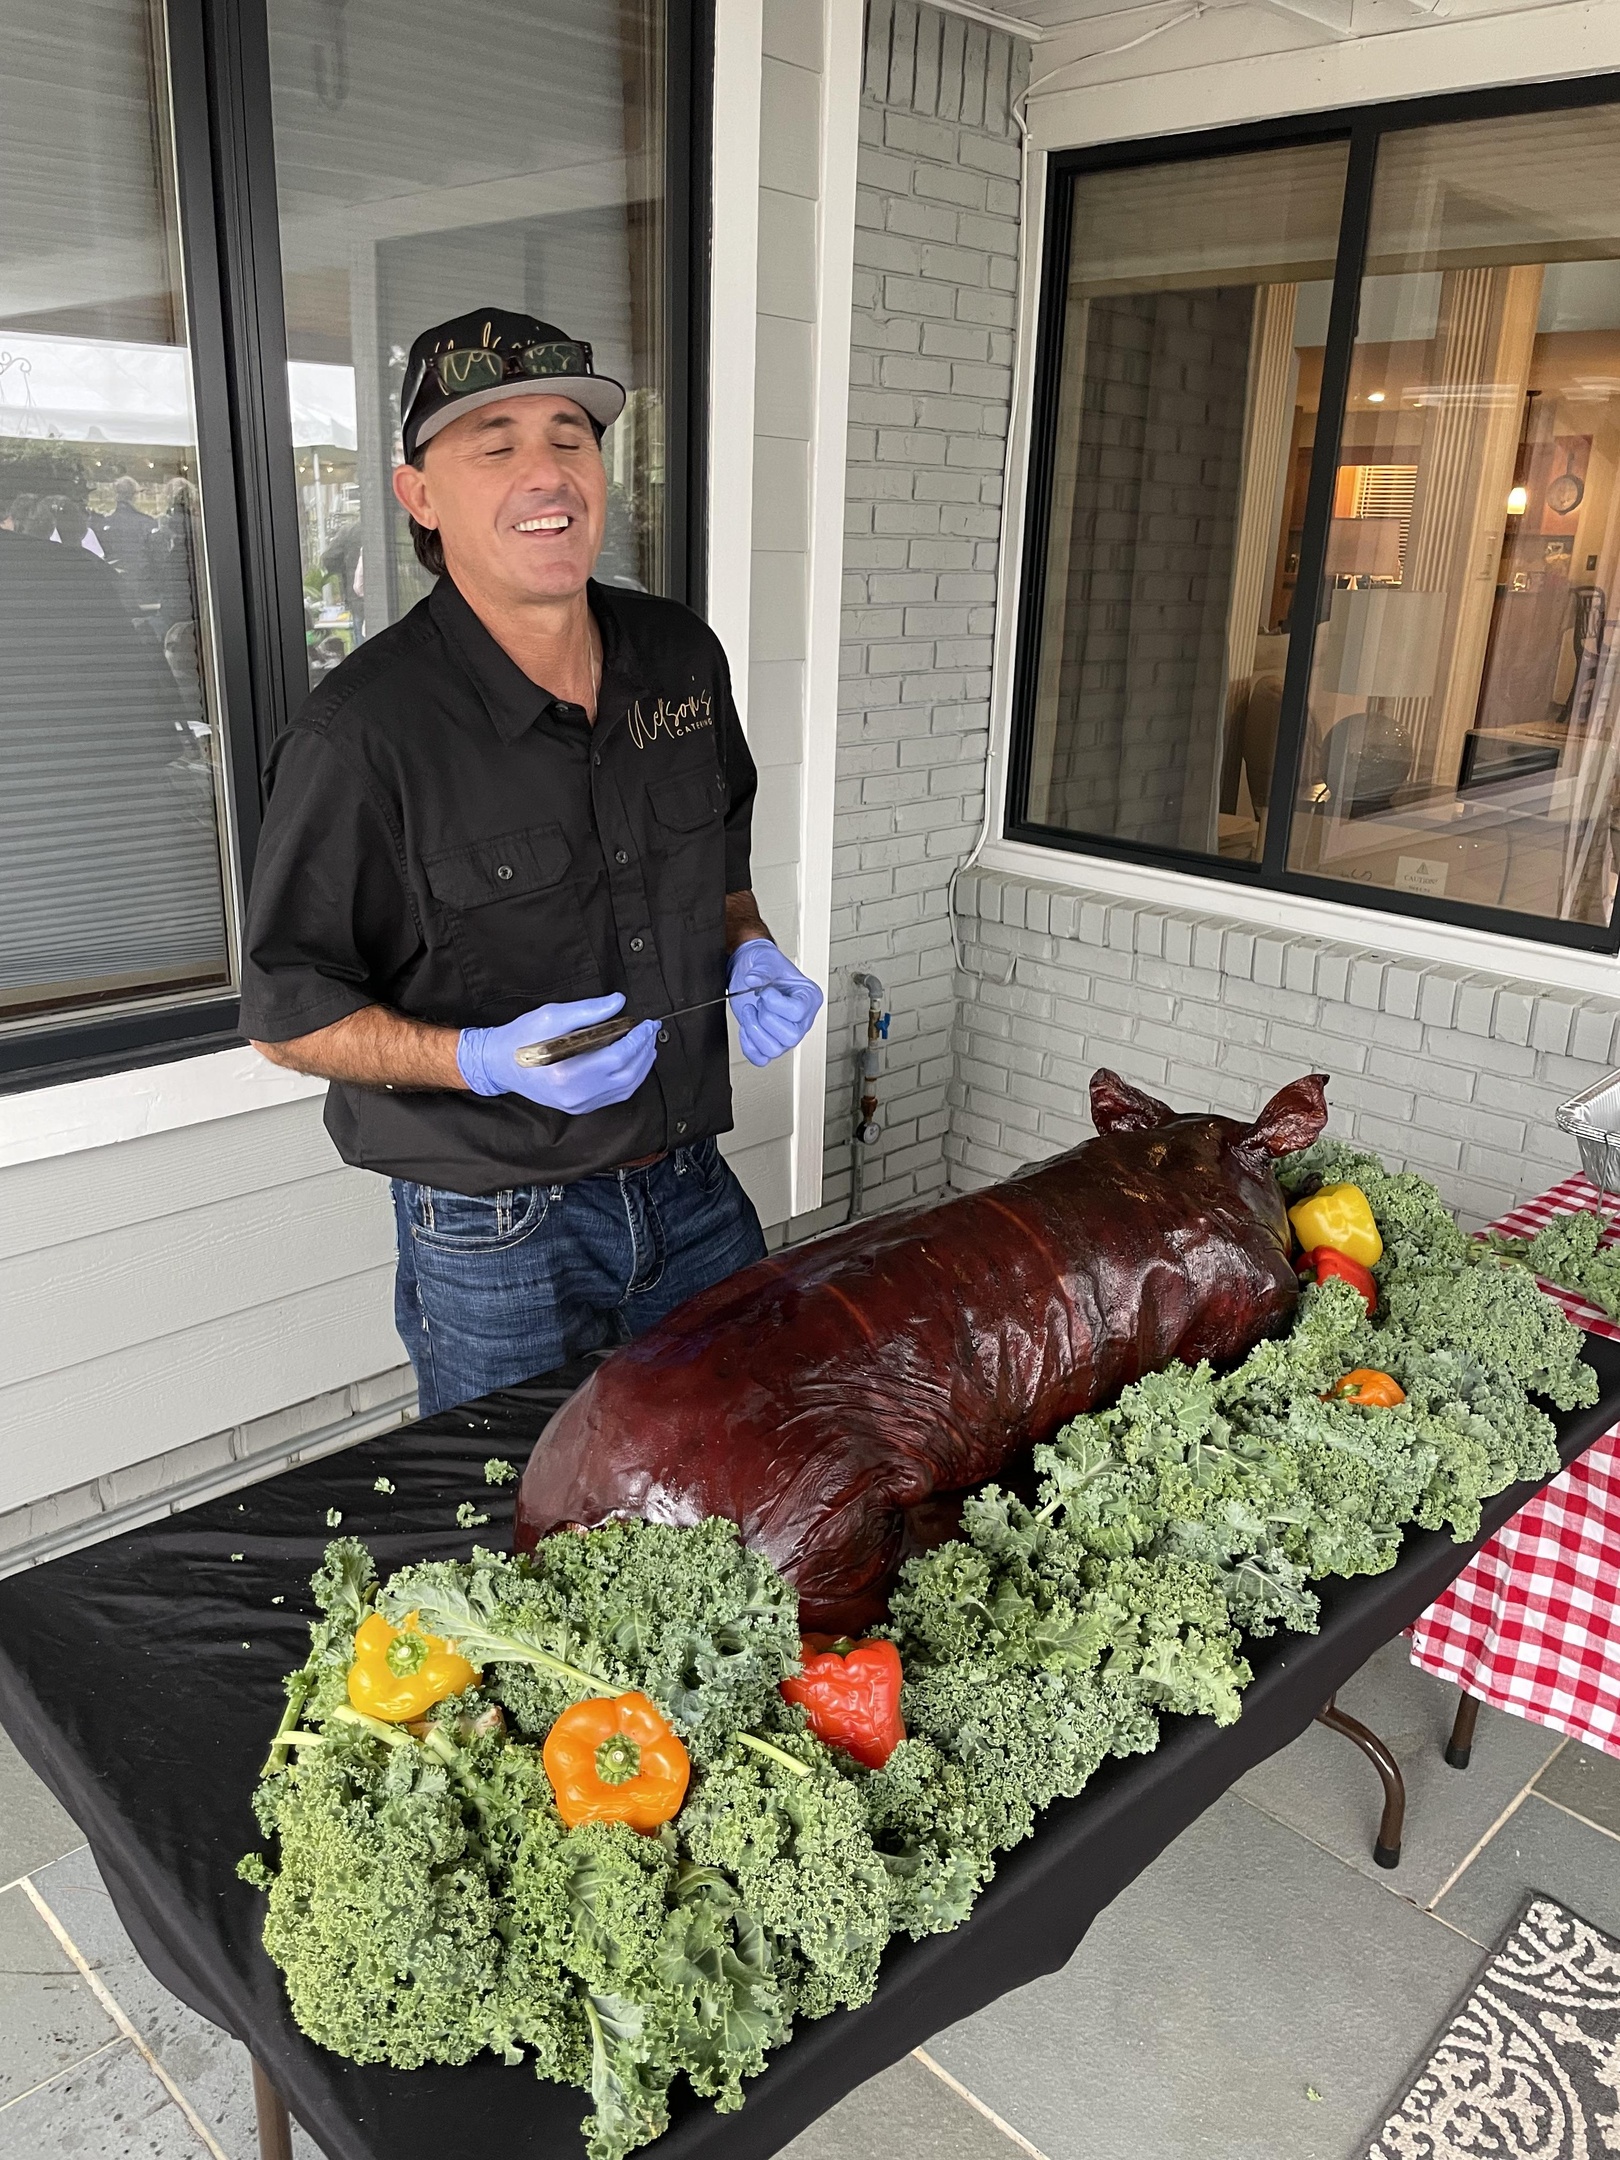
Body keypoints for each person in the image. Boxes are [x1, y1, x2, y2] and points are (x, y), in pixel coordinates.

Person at [241, 307, 823, 1417]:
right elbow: (285, 1017)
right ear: (420, 496)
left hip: (692, 1183)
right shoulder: (362, 736)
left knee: (747, 1456)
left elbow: (720, 870)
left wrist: (749, 946)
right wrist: (481, 1061)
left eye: (571, 437)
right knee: (516, 1502)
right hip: (498, 1228)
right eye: (493, 445)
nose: (547, 472)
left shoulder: (678, 658)